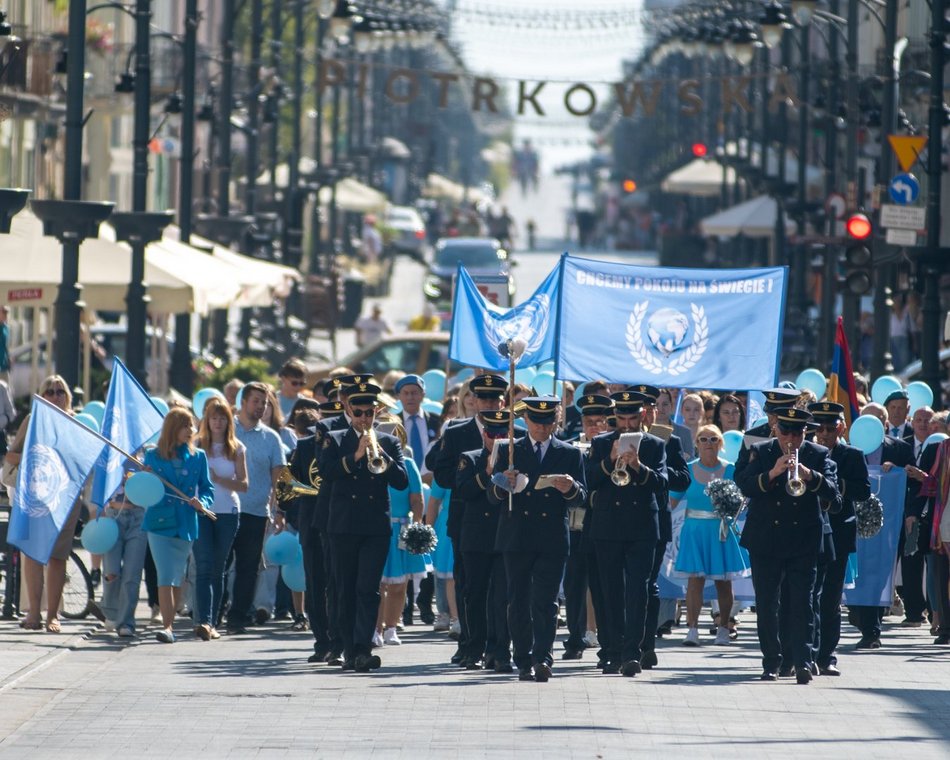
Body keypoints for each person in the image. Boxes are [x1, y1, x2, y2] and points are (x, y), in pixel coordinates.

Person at [734, 407, 839, 683]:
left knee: (802, 603)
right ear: (776, 430)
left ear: (806, 432)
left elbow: (835, 496)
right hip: (766, 538)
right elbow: (744, 484)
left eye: (798, 432)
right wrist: (771, 473)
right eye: (786, 432)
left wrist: (809, 476)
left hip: (803, 538)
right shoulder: (763, 450)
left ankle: (802, 661)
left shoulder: (818, 454)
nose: (791, 439)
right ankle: (771, 661)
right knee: (767, 603)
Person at [489, 396, 587, 682]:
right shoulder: (509, 449)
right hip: (517, 535)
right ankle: (522, 658)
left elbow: (581, 497)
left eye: (548, 422)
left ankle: (543, 656)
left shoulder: (569, 453)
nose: (542, 429)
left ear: (556, 420)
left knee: (546, 600)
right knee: (517, 599)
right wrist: (502, 483)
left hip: (551, 537)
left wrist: (570, 488)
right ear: (526, 421)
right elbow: (492, 496)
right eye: (536, 422)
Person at [322, 381, 409, 672]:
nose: (363, 419)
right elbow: (327, 473)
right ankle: (348, 649)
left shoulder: (388, 441)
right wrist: (355, 456)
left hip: (374, 526)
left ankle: (363, 648)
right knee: (345, 588)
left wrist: (380, 455)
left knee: (368, 589)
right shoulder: (333, 438)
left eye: (369, 413)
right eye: (358, 412)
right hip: (343, 526)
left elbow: (401, 481)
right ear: (348, 409)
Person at [585, 391, 668, 676]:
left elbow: (662, 484)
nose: (627, 424)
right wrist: (609, 462)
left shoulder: (655, 445)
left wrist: (637, 466)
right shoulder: (600, 443)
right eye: (622, 419)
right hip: (607, 527)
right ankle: (611, 649)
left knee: (638, 591)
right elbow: (589, 481)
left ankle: (632, 651)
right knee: (610, 592)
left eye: (633, 418)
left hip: (642, 527)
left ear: (642, 416)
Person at [427, 374, 507, 664]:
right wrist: (472, 474)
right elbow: (442, 473)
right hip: (468, 518)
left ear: (502, 401)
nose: (488, 404)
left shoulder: (515, 431)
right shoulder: (457, 432)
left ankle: (498, 646)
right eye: (483, 399)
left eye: (494, 399)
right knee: (470, 588)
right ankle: (471, 644)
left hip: (502, 520)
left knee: (501, 589)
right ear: (473, 401)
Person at [5, 376, 82, 632]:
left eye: (60, 391)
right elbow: (11, 455)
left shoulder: (75, 422)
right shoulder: (32, 420)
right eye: (49, 391)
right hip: (35, 497)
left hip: (64, 498)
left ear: (67, 396)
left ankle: (53, 615)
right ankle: (34, 614)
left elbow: (82, 461)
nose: (55, 395)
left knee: (58, 557)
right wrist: (37, 456)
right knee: (33, 556)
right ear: (41, 395)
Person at [672, 424, 750, 646]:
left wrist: (733, 507)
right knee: (694, 582)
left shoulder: (732, 470)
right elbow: (672, 500)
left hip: (721, 531)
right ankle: (692, 630)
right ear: (696, 443)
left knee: (724, 583)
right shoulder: (687, 469)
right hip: (694, 531)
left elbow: (743, 501)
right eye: (703, 439)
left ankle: (724, 628)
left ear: (721, 444)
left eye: (714, 439)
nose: (708, 444)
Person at [632, 384, 691, 668]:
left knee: (647, 584)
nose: (645, 412)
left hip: (654, 520)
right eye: (639, 407)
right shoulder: (616, 437)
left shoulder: (668, 440)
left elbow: (683, 478)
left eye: (650, 406)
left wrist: (656, 465)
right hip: (620, 522)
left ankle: (646, 643)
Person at [808, 402, 870, 675]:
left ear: (841, 428)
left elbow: (864, 491)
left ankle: (827, 656)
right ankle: (806, 652)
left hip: (838, 534)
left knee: (831, 599)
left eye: (830, 428)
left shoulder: (852, 455)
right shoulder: (806, 453)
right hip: (809, 532)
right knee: (807, 596)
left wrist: (833, 483)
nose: (824, 434)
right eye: (819, 428)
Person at [143, 407, 215, 643]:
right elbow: (144, 489)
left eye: (191, 426)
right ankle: (168, 627)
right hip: (159, 523)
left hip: (185, 523)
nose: (191, 430)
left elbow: (207, 488)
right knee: (165, 574)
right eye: (186, 426)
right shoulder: (152, 457)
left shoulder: (198, 457)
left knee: (177, 575)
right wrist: (144, 477)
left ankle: (170, 623)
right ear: (174, 428)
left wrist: (201, 502)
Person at [455, 409, 517, 670]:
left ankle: (500, 649)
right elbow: (464, 491)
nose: (497, 439)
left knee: (502, 596)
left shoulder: (515, 459)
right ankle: (474, 647)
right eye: (493, 434)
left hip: (505, 536)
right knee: (475, 594)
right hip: (477, 537)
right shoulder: (469, 459)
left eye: (503, 434)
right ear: (484, 434)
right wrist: (487, 472)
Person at [228, 381, 287, 634]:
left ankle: (238, 616)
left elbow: (279, 478)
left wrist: (281, 510)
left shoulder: (271, 438)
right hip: (224, 509)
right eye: (256, 401)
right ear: (243, 402)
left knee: (248, 567)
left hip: (256, 512)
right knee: (220, 565)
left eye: (265, 403)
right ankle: (213, 613)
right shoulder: (226, 429)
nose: (261, 407)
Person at [561, 394, 612, 661]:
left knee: (603, 586)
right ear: (582, 422)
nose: (595, 427)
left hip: (603, 524)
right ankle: (575, 637)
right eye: (590, 421)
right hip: (575, 525)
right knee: (574, 586)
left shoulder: (611, 449)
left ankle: (607, 641)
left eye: (600, 421)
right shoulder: (571, 448)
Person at [195, 397, 247, 640]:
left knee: (218, 568)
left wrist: (218, 479)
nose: (217, 422)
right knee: (202, 566)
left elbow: (244, 484)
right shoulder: (196, 447)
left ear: (228, 421)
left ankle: (214, 621)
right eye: (213, 417)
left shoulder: (236, 448)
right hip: (202, 512)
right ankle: (203, 620)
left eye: (222, 417)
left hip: (227, 512)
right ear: (206, 420)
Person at [0, 305, 10, 389]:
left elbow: (5, 345)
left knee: (5, 390)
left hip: (4, 367)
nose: (5, 315)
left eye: (6, 313)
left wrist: (8, 359)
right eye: (3, 312)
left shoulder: (6, 328)